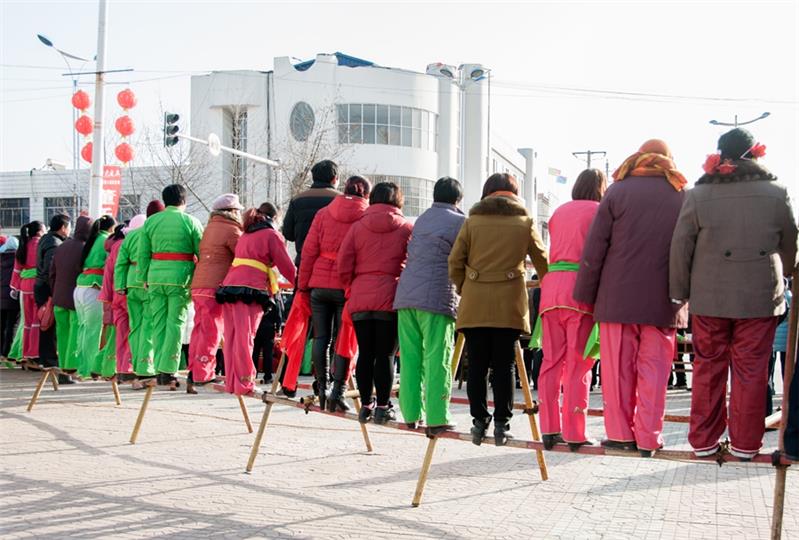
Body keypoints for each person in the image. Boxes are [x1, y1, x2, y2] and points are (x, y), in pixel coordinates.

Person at [670, 128, 798, 459]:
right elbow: (790, 243)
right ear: (755, 154)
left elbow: (681, 246)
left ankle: (703, 440)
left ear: (720, 155)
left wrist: (679, 293)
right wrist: (786, 271)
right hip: (760, 297)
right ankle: (745, 443)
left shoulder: (698, 194)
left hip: (709, 297)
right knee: (751, 370)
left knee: (707, 367)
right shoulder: (776, 192)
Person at [574, 139, 688, 458]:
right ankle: (649, 437)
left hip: (617, 299)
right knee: (655, 372)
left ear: (639, 158)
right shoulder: (682, 194)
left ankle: (620, 434)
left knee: (617, 371)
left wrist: (585, 295)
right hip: (665, 300)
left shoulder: (617, 191)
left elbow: (596, 247)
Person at [449, 173, 549, 446]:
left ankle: (479, 421)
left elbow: (455, 261)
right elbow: (543, 261)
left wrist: (466, 287)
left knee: (477, 365)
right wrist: (546, 286)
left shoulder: (472, 222)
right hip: (510, 302)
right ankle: (502, 424)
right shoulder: (525, 223)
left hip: (475, 301)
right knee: (505, 365)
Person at [537, 169, 606, 450]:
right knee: (579, 363)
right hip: (580, 290)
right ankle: (575, 432)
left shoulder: (559, 212)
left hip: (551, 289)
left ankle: (549, 428)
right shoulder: (599, 212)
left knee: (551, 362)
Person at [394, 177, 466, 432]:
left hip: (406, 297)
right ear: (458, 199)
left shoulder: (422, 219)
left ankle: (411, 413)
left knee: (410, 358)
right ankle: (437, 416)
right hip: (437, 296)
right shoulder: (460, 222)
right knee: (438, 357)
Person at [338, 182, 413, 424]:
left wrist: (352, 285)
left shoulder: (358, 227)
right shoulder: (406, 228)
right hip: (391, 296)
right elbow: (413, 262)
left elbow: (343, 263)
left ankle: (366, 405)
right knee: (386, 355)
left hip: (361, 296)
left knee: (366, 353)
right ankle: (383, 406)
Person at [299, 175, 371, 411]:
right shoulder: (365, 216)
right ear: (366, 194)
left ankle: (321, 386)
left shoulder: (324, 213)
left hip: (319, 283)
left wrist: (303, 285)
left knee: (321, 337)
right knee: (344, 339)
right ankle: (337, 390)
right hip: (346, 284)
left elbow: (309, 251)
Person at [216, 204, 296, 395]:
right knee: (245, 336)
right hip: (251, 287)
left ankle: (232, 381)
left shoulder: (246, 234)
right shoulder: (271, 235)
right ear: (274, 218)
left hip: (230, 285)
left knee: (232, 336)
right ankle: (245, 381)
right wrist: (301, 283)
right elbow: (286, 265)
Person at [138, 185, 203, 389]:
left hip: (155, 277)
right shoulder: (191, 221)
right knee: (176, 323)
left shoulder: (151, 222)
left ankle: (159, 368)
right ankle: (168, 369)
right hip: (180, 278)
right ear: (184, 201)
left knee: (158, 323)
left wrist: (143, 277)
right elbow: (201, 252)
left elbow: (143, 253)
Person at [187, 193, 243, 392]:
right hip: (215, 286)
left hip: (199, 285)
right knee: (212, 331)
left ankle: (194, 371)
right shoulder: (232, 230)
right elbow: (243, 254)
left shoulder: (209, 228)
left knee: (199, 329)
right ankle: (204, 373)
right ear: (232, 211)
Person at [114, 201, 164, 386]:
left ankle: (135, 363)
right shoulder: (155, 232)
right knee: (149, 325)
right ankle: (146, 366)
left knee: (135, 326)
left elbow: (120, 262)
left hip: (130, 283)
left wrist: (120, 285)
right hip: (148, 282)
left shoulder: (131, 236)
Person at [74, 215, 116, 379]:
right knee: (93, 332)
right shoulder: (106, 241)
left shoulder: (92, 240)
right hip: (94, 287)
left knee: (83, 330)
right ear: (112, 228)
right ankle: (89, 370)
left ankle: (81, 368)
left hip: (80, 287)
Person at [50, 215, 92, 376]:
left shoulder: (62, 246)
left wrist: (55, 292)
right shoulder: (86, 249)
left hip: (58, 298)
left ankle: (63, 367)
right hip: (75, 299)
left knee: (62, 334)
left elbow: (51, 273)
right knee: (75, 333)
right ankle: (70, 369)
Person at [282, 159, 340, 269]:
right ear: (334, 179)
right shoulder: (341, 200)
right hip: (332, 264)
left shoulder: (297, 200)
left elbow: (288, 233)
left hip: (304, 261)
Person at [34, 214, 71, 370]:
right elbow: (50, 269)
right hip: (47, 287)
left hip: (40, 285)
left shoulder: (46, 239)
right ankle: (50, 360)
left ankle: (46, 358)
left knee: (45, 323)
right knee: (49, 322)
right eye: (69, 227)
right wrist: (54, 289)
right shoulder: (55, 244)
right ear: (63, 228)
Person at [97, 224, 131, 378]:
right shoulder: (132, 243)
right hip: (130, 293)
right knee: (133, 334)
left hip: (115, 295)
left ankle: (116, 369)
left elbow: (108, 273)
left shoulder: (114, 246)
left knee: (117, 335)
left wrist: (107, 297)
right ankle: (127, 369)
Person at [11, 221, 45, 367]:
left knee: (27, 322)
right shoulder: (41, 244)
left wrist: (14, 287)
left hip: (24, 287)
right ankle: (34, 354)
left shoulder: (23, 245)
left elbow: (16, 269)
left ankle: (25, 353)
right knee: (38, 321)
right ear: (40, 231)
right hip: (37, 285)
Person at [0, 237, 20, 361]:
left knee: (2, 325)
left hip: (1, 296)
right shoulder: (18, 259)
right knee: (11, 325)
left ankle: (1, 351)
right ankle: (7, 351)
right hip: (12, 296)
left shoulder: (1, 258)